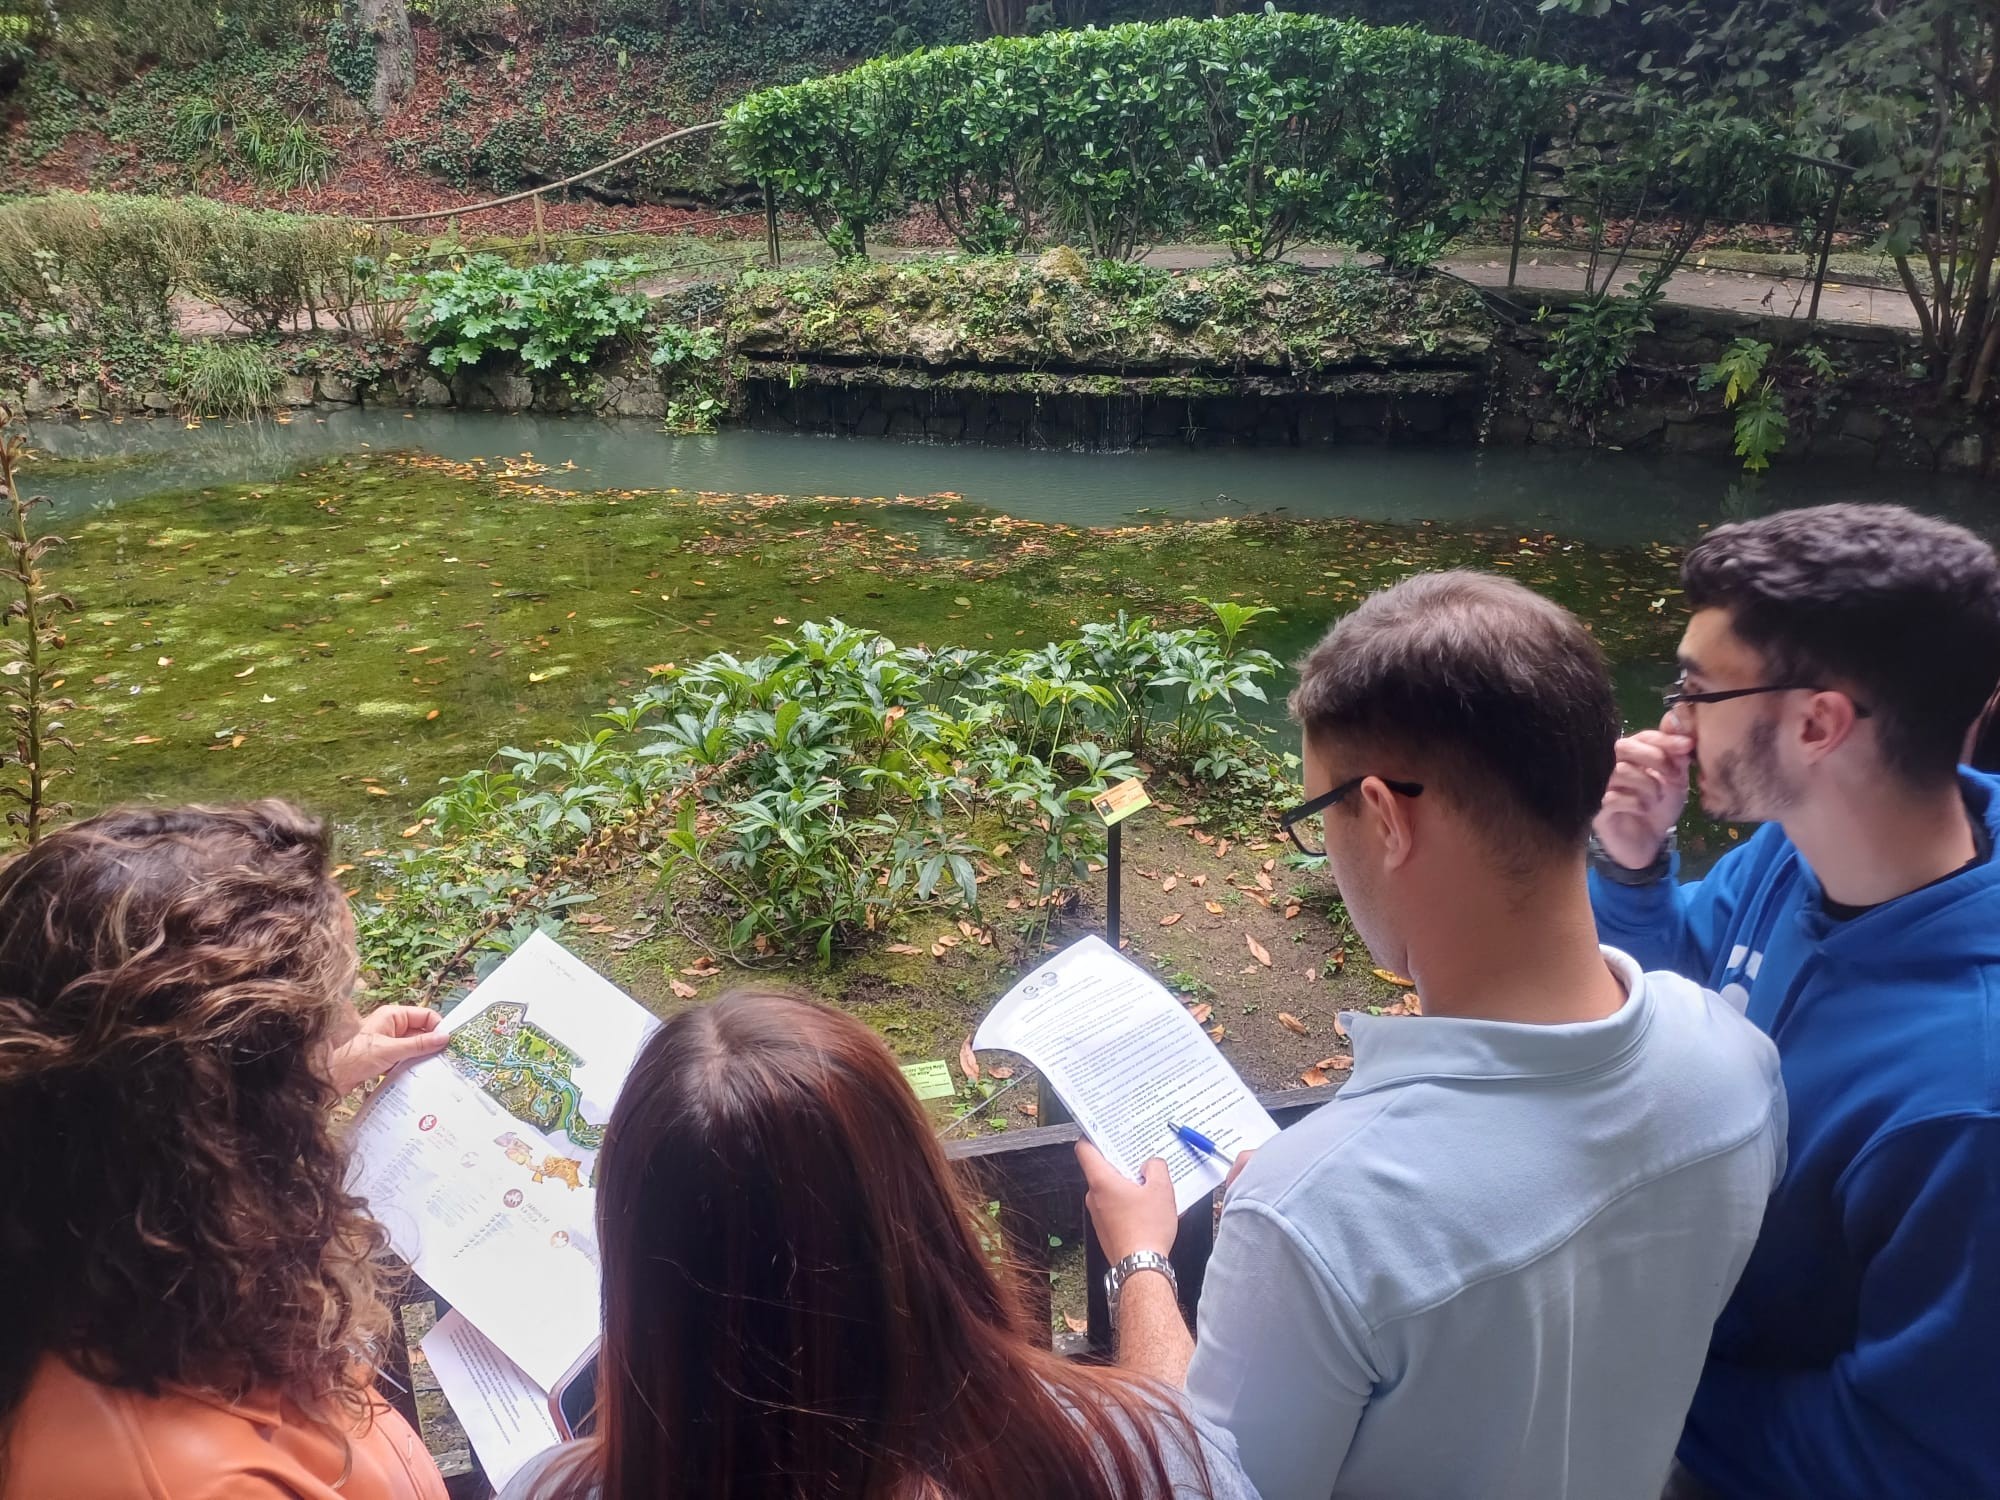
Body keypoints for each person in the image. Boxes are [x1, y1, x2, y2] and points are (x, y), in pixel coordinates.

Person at [1079, 571, 1786, 1500]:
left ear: (1383, 815)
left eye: (1314, 817)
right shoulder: (1737, 1065)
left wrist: (1140, 1264)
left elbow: (1198, 1488)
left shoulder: (1317, 1219)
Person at [1588, 503, 2000, 1500]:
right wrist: (1635, 870)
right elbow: (1684, 985)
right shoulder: (1797, 850)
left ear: (1817, 722)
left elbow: (1907, 1457)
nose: (1672, 719)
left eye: (1695, 689)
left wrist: (1623, 1372)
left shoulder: (1964, 1097)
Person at [502, 990, 1258, 1500]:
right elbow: (1169, 1436)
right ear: (917, 1207)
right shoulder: (1128, 1454)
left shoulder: (550, 1488)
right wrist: (1143, 1262)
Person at [0, 801, 451, 1500]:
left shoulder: (104, 1258)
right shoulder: (206, 1483)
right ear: (211, 1135)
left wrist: (322, 1075)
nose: (355, 1025)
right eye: (328, 1027)